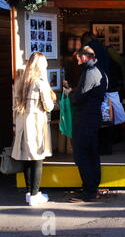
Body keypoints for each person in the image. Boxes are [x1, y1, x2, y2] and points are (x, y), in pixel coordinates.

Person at [12, 52, 56, 206]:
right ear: (40, 65)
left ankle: (29, 193)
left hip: (22, 122)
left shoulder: (20, 81)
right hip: (36, 123)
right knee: (37, 159)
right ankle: (35, 195)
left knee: (27, 158)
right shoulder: (40, 82)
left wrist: (14, 124)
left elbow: (14, 107)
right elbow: (48, 106)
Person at [64, 46, 107, 202]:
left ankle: (89, 191)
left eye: (78, 57)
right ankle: (91, 187)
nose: (76, 60)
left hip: (85, 118)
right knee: (92, 154)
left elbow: (79, 98)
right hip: (92, 116)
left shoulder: (89, 72)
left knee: (82, 154)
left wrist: (70, 93)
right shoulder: (98, 70)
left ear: (84, 57)